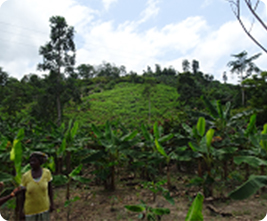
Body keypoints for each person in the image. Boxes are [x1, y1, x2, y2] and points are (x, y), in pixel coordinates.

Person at [20, 152, 54, 221]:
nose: (32, 163)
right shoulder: (25, 176)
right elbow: (22, 195)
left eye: (34, 161)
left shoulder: (47, 173)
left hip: (44, 209)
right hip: (30, 211)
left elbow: (50, 189)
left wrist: (52, 203)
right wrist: (21, 210)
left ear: (40, 162)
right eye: (31, 161)